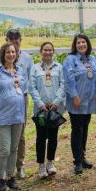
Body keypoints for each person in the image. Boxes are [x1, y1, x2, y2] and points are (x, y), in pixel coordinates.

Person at [0, 43, 27, 191]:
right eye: (8, 52)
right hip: (3, 117)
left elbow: (23, 89)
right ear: (2, 54)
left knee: (14, 148)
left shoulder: (20, 71)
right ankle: (0, 180)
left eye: (13, 52)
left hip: (18, 115)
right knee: (4, 150)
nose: (11, 54)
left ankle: (10, 177)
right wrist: (0, 106)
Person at [0, 29, 33, 179]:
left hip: (21, 100)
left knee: (20, 136)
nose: (15, 41)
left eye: (17, 38)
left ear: (21, 39)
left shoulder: (28, 58)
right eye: (11, 38)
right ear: (7, 39)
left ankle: (19, 166)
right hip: (3, 103)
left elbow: (28, 80)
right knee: (5, 145)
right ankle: (1, 175)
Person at [63, 34, 96, 175]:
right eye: (78, 42)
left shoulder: (93, 59)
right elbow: (68, 79)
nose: (81, 44)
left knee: (85, 129)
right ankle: (77, 161)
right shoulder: (70, 60)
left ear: (87, 44)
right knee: (77, 130)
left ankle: (83, 157)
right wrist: (74, 96)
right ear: (75, 45)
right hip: (77, 102)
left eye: (84, 42)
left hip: (89, 102)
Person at [29, 41, 65, 179]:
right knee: (41, 137)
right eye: (45, 50)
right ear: (41, 52)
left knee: (53, 137)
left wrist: (56, 101)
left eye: (50, 50)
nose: (48, 52)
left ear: (53, 52)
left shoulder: (59, 67)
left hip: (55, 109)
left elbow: (63, 84)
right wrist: (40, 103)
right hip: (41, 110)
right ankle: (41, 165)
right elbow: (32, 87)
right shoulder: (35, 68)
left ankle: (50, 163)